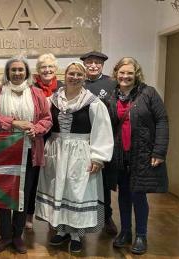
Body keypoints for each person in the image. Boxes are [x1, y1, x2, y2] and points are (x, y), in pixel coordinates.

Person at [35, 62, 114, 253]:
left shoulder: (93, 103)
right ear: (65, 75)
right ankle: (61, 230)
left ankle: (77, 234)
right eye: (72, 73)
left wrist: (98, 157)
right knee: (59, 190)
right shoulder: (51, 100)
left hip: (81, 153)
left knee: (77, 192)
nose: (75, 77)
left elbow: (102, 130)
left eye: (79, 74)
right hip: (57, 151)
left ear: (84, 77)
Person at [0, 56, 52, 254]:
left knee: (23, 194)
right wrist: (14, 123)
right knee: (3, 195)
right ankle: (5, 235)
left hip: (30, 150)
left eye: (20, 70)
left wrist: (36, 129)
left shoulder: (37, 93)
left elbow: (47, 119)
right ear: (7, 72)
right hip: (4, 151)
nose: (17, 73)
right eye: (13, 70)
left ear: (27, 72)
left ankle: (17, 236)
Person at [108, 57, 169, 255]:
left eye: (130, 73)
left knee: (138, 195)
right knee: (123, 194)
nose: (125, 76)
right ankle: (125, 231)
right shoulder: (111, 96)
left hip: (142, 153)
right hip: (119, 154)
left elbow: (162, 121)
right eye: (122, 72)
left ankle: (141, 235)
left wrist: (159, 151)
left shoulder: (148, 93)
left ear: (136, 74)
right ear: (116, 73)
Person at [24, 53, 63, 230]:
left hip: (57, 139)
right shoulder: (29, 87)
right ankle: (28, 215)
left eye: (50, 67)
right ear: (38, 71)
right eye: (43, 67)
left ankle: (53, 216)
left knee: (54, 179)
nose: (47, 70)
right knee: (32, 180)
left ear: (55, 69)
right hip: (36, 138)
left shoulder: (63, 88)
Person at [80, 51, 118, 235]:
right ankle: (82, 217)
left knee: (104, 182)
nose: (93, 66)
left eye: (97, 63)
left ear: (102, 65)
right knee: (82, 181)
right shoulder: (79, 82)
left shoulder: (111, 83)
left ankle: (106, 216)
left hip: (103, 138)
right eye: (89, 62)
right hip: (82, 140)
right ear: (84, 65)